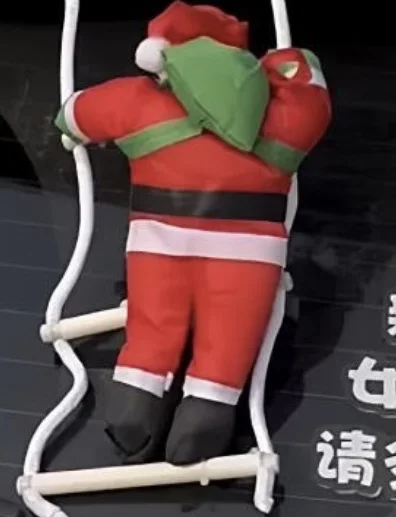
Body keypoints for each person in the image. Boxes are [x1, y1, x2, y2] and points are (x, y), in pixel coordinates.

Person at [55, 1, 332, 466]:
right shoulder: (278, 114)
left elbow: (75, 114)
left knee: (152, 330)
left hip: (159, 244)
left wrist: (74, 128)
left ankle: (133, 413)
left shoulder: (139, 101)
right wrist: (278, 65)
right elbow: (310, 91)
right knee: (228, 342)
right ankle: (204, 421)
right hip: (249, 255)